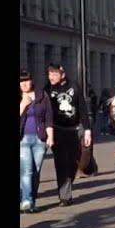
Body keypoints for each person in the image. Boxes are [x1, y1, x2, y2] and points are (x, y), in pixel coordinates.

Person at [44, 63, 92, 206]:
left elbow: (82, 109)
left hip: (74, 130)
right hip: (57, 130)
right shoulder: (47, 89)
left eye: (54, 74)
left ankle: (67, 183)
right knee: (61, 163)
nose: (51, 77)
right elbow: (44, 111)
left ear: (62, 74)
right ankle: (64, 196)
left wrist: (87, 130)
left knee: (73, 161)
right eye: (49, 74)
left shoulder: (74, 87)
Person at [20, 70, 54, 212]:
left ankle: (31, 198)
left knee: (36, 170)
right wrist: (22, 104)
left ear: (32, 81)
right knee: (26, 170)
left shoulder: (41, 95)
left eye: (26, 81)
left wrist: (50, 136)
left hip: (40, 139)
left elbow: (48, 117)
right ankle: (26, 201)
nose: (24, 84)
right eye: (21, 81)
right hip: (22, 139)